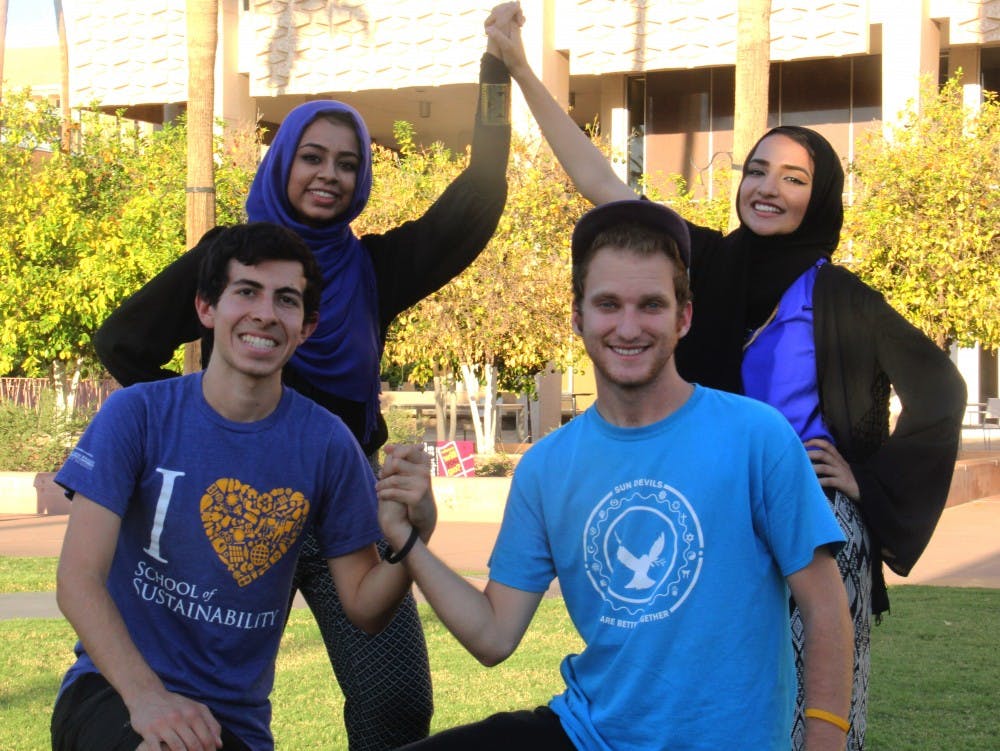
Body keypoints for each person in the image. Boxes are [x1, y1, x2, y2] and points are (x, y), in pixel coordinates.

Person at [485, 12, 966, 748]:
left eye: (794, 177)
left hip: (813, 522)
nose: (767, 187)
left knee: (821, 717)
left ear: (822, 195)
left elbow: (941, 387)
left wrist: (870, 477)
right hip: (710, 512)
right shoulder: (700, 263)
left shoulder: (840, 297)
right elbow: (598, 180)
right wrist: (521, 68)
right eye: (756, 170)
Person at [90, 5, 521, 748]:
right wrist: (183, 432)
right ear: (282, 160)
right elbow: (124, 341)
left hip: (340, 505)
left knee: (396, 705)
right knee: (195, 706)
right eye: (312, 155)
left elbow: (478, 198)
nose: (329, 173)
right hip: (224, 494)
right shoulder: (235, 256)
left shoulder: (375, 270)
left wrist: (495, 69)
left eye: (347, 163)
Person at [377, 199, 854, 751]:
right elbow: (492, 634)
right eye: (608, 304)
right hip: (588, 734)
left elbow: (824, 606)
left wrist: (825, 739)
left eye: (651, 304)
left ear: (684, 317)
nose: (629, 327)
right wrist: (409, 540)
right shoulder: (547, 467)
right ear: (578, 317)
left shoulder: (757, 436)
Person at [51, 222, 437, 751]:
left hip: (235, 725)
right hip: (115, 692)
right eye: (246, 292)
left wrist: (413, 539)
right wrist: (148, 699)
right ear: (207, 309)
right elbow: (78, 581)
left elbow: (365, 609)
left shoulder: (327, 445)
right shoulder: (136, 414)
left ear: (307, 326)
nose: (264, 314)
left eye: (286, 300)